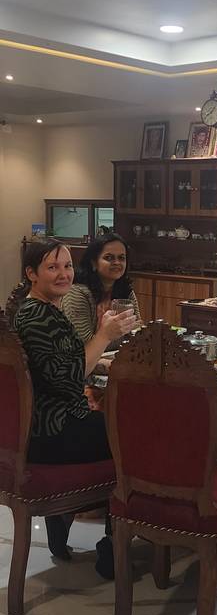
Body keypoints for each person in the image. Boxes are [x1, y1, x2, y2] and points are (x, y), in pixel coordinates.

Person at [13, 239, 137, 576]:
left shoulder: (45, 309)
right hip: (52, 431)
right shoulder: (36, 317)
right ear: (31, 274)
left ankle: (65, 516)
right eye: (52, 267)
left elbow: (66, 363)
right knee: (134, 438)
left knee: (119, 422)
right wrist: (103, 335)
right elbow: (68, 378)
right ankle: (114, 548)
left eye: (67, 266)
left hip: (51, 423)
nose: (64, 273)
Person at [62, 233, 140, 348]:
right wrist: (118, 336)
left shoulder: (125, 289)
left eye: (121, 258)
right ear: (94, 262)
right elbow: (85, 345)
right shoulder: (77, 293)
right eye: (109, 258)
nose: (117, 263)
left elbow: (138, 330)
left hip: (118, 356)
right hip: (84, 361)